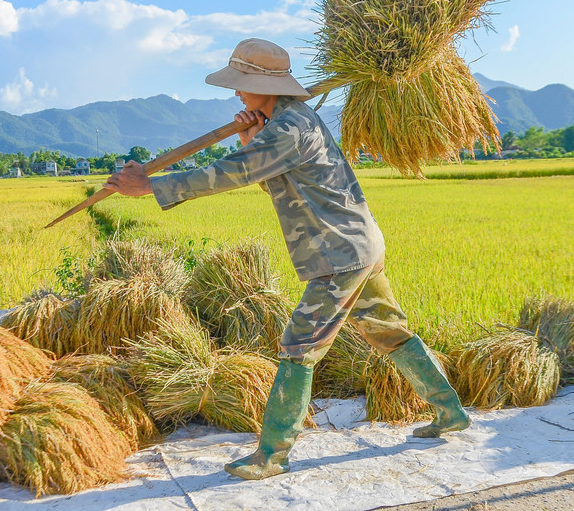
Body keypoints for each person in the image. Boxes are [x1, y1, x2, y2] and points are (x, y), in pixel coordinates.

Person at [103, 38, 470, 480]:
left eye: (241, 84)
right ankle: (450, 412)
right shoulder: (291, 123)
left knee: (299, 348)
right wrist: (249, 137)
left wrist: (150, 184)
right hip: (359, 245)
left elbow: (231, 173)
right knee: (388, 331)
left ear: (264, 85)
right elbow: (269, 177)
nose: (236, 93)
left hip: (340, 254)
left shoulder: (290, 128)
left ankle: (271, 455)